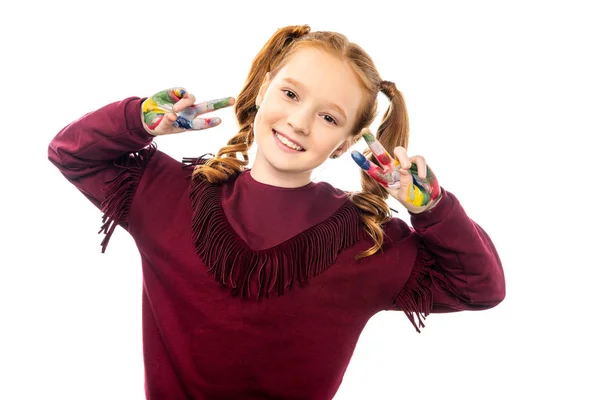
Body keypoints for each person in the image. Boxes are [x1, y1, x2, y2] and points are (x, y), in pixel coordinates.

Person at [48, 24, 505, 400]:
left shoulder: (368, 244)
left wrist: (433, 210)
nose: (300, 121)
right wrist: (138, 119)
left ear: (345, 143)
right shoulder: (167, 195)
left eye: (329, 118)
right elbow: (70, 152)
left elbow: (481, 287)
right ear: (264, 89)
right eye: (290, 94)